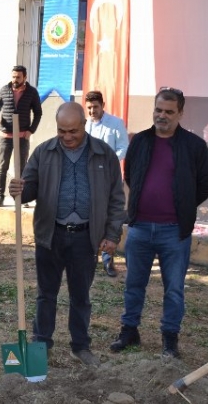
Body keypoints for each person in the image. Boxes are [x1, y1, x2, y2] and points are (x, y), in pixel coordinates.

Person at [9, 101, 125, 367]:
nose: (67, 137)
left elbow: (116, 199)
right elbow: (27, 190)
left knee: (81, 295)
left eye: (73, 131)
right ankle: (41, 344)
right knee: (46, 293)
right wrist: (18, 188)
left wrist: (111, 234)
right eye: (62, 131)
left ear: (84, 125)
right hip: (51, 235)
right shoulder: (44, 152)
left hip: (86, 237)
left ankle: (81, 346)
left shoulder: (103, 154)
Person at [110, 87, 208, 359]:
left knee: (175, 288)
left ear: (180, 113)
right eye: (158, 110)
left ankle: (170, 338)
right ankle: (129, 330)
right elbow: (131, 176)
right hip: (140, 228)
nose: (162, 116)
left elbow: (206, 184)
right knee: (134, 283)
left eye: (169, 111)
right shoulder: (141, 141)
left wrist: (182, 203)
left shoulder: (194, 146)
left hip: (175, 231)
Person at [84, 90, 129, 277]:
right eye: (89, 108)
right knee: (90, 215)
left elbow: (124, 146)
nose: (92, 111)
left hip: (109, 176)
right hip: (87, 177)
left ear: (103, 105)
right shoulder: (84, 125)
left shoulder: (115, 123)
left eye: (95, 107)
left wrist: (107, 162)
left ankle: (108, 259)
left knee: (108, 215)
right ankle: (90, 257)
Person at [0, 65, 42, 207]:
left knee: (22, 168)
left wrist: (31, 130)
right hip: (5, 136)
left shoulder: (32, 92)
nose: (15, 80)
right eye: (13, 77)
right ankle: (0, 196)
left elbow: (38, 112)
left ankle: (22, 197)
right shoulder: (4, 90)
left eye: (18, 77)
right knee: (3, 167)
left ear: (24, 77)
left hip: (22, 137)